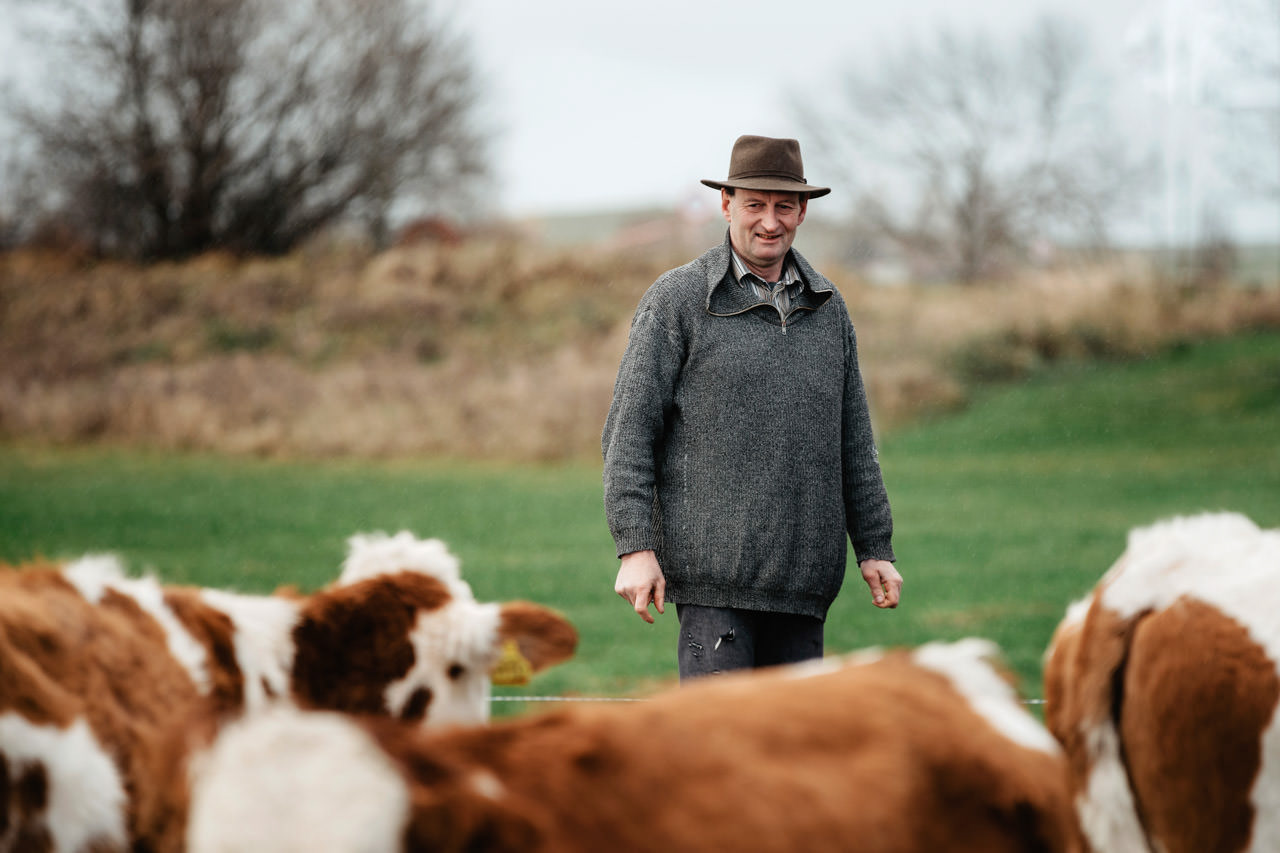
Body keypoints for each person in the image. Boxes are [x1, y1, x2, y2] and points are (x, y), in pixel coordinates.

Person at [601, 134, 902, 681]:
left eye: (783, 206)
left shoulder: (829, 310)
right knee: (721, 762)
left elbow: (854, 442)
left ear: (802, 212)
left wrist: (875, 546)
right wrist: (634, 546)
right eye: (754, 204)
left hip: (804, 589)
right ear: (727, 205)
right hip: (713, 585)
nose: (769, 221)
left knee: (793, 764)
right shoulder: (678, 301)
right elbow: (629, 434)